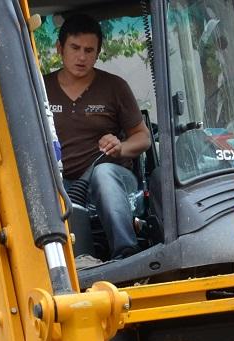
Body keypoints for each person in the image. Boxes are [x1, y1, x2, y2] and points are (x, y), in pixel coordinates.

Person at [44, 12, 151, 260]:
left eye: (89, 50)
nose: (82, 57)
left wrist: (121, 147)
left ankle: (126, 254)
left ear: (98, 53)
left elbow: (143, 137)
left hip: (111, 177)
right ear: (60, 48)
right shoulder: (40, 87)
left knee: (103, 174)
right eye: (75, 48)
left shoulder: (115, 87)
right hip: (59, 182)